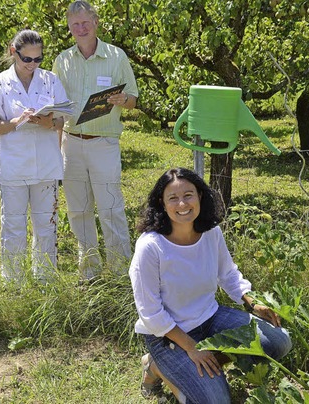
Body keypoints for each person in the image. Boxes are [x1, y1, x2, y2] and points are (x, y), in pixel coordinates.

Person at [129, 168, 292, 403]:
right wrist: (191, 347)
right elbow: (150, 313)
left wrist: (254, 303)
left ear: (200, 197)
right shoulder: (150, 247)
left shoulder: (211, 233)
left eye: (188, 195)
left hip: (210, 318)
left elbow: (228, 274)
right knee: (216, 401)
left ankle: (202, 368)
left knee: (278, 341)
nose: (182, 203)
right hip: (169, 334)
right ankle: (157, 366)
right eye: (173, 198)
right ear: (162, 204)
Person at [53, 0, 139, 280]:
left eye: (85, 23)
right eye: (75, 24)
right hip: (71, 142)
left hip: (103, 142)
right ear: (69, 27)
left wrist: (123, 99)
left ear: (96, 23)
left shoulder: (117, 56)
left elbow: (133, 100)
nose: (80, 28)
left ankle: (120, 272)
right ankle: (88, 272)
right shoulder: (62, 60)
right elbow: (56, 105)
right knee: (78, 211)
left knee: (111, 208)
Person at [0, 30, 69, 281]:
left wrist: (50, 123)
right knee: (13, 227)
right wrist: (16, 122)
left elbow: (63, 117)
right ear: (14, 52)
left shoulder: (50, 80)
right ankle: (14, 282)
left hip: (46, 164)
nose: (32, 65)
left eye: (38, 59)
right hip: (14, 166)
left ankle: (45, 281)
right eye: (27, 59)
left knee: (46, 227)